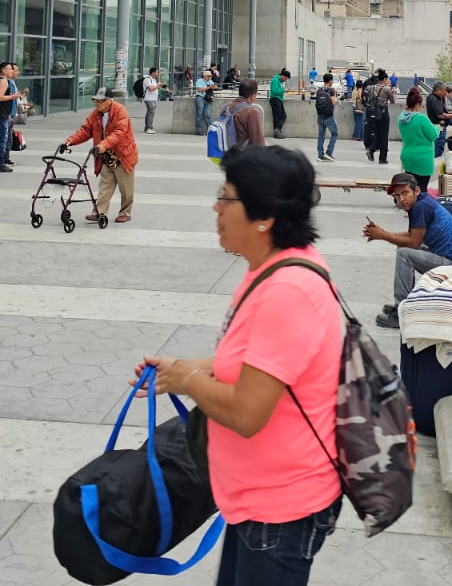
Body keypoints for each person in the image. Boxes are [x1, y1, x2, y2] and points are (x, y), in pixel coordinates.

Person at [137, 146, 342, 586]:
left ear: (263, 216)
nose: (215, 207)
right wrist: (188, 366)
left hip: (280, 513)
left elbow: (248, 413)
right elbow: (264, 362)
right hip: (256, 503)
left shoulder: (289, 290)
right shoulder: (272, 267)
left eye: (226, 197)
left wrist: (189, 380)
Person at [364, 172, 452, 329]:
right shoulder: (421, 203)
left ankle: (402, 313)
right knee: (403, 248)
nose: (401, 199)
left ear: (417, 191)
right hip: (448, 258)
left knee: (404, 254)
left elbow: (413, 243)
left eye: (405, 193)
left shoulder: (421, 207)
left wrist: (384, 235)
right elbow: (413, 235)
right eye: (397, 195)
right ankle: (407, 304)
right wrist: (384, 233)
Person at [59, 87, 139, 223]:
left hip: (122, 155)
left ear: (109, 101)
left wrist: (102, 145)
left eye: (100, 101)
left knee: (126, 188)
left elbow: (119, 132)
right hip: (105, 156)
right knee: (104, 186)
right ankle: (99, 212)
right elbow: (85, 130)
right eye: (96, 101)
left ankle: (125, 212)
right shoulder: (96, 114)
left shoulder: (120, 111)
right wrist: (69, 142)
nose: (97, 104)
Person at [397, 86, 442, 191]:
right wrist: (437, 127)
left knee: (410, 190)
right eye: (422, 105)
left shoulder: (401, 118)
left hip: (407, 156)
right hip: (422, 158)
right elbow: (433, 135)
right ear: (418, 104)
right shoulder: (421, 118)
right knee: (421, 190)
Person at [221, 79, 266, 149]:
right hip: (241, 155)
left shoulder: (226, 106)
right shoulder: (252, 112)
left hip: (225, 154)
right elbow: (258, 142)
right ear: (253, 95)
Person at [0, 61, 18, 172]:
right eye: (9, 69)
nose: (11, 71)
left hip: (2, 114)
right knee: (2, 139)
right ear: (3, 70)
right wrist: (13, 96)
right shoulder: (3, 81)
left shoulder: (3, 81)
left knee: (0, 138)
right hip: (1, 115)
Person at [362, 71, 393, 164]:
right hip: (383, 113)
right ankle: (382, 158)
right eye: (387, 79)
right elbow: (392, 101)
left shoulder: (370, 87)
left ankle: (371, 149)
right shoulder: (386, 89)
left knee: (376, 133)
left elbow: (365, 97)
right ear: (384, 79)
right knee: (384, 135)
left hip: (373, 113)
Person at [425, 82, 452, 156]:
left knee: (440, 143)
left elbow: (444, 109)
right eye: (443, 90)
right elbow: (440, 115)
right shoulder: (433, 99)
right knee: (439, 145)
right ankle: (435, 161)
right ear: (438, 90)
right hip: (438, 124)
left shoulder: (440, 98)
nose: (445, 92)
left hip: (443, 123)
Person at [268, 68, 291, 138]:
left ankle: (277, 131)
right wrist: (283, 90)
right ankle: (277, 131)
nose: (285, 80)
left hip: (279, 99)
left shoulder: (280, 81)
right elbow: (274, 91)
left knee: (282, 116)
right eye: (286, 78)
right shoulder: (275, 80)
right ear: (283, 76)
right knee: (278, 116)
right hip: (275, 99)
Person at [194, 68, 216, 136]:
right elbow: (200, 90)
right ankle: (199, 130)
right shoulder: (199, 81)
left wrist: (213, 87)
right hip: (200, 97)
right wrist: (209, 87)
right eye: (208, 76)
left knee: (207, 115)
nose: (210, 77)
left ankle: (210, 130)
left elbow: (215, 86)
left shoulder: (210, 81)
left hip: (207, 98)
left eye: (211, 76)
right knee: (199, 113)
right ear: (204, 76)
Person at [143, 66, 160, 133]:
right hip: (148, 99)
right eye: (156, 72)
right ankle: (149, 128)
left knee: (149, 113)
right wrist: (157, 85)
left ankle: (147, 127)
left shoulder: (154, 80)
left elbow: (155, 88)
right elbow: (151, 89)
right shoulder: (147, 79)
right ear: (153, 72)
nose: (157, 73)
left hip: (153, 99)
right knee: (151, 113)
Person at [351, 79, 365, 143]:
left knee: (357, 122)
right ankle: (357, 136)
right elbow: (360, 97)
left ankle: (355, 135)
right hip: (359, 108)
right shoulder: (360, 90)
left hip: (354, 107)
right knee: (359, 123)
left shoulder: (354, 90)